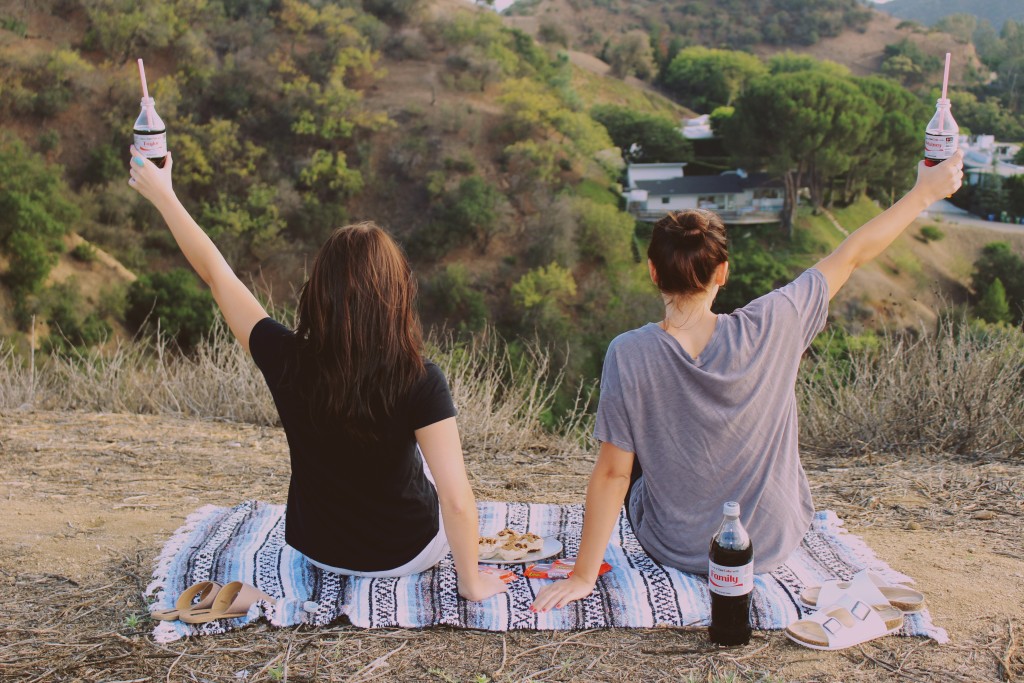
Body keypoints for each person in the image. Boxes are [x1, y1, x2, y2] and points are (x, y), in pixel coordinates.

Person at [532, 152, 964, 612]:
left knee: (634, 450)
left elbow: (614, 473)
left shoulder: (629, 352)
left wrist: (583, 575)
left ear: (654, 272)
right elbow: (851, 255)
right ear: (723, 273)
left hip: (674, 545)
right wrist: (924, 192)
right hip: (769, 543)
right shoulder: (776, 322)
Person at [127, 146, 507, 602]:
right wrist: (472, 583)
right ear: (399, 294)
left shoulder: (284, 356)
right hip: (404, 553)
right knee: (433, 459)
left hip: (317, 551)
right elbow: (458, 500)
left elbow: (217, 275)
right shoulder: (420, 378)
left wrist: (165, 196)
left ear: (319, 290)